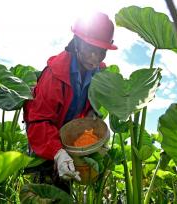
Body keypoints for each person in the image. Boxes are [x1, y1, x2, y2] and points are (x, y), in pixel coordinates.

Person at [23, 12, 117, 191]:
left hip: (69, 138)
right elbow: (39, 121)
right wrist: (57, 153)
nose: (95, 58)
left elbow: (95, 106)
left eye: (101, 52)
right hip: (44, 137)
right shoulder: (54, 75)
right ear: (77, 43)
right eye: (91, 49)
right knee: (46, 188)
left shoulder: (100, 75)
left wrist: (94, 116)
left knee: (66, 185)